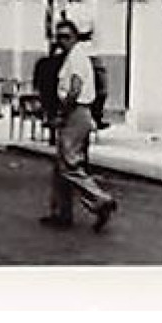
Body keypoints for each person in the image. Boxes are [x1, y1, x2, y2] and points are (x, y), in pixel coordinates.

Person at [39, 17, 119, 232]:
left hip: (76, 112)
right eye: (59, 37)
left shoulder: (77, 57)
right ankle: (62, 213)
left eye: (66, 37)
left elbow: (75, 88)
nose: (61, 41)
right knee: (60, 165)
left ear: (75, 37)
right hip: (78, 113)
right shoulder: (72, 56)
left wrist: (61, 112)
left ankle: (100, 198)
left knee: (69, 165)